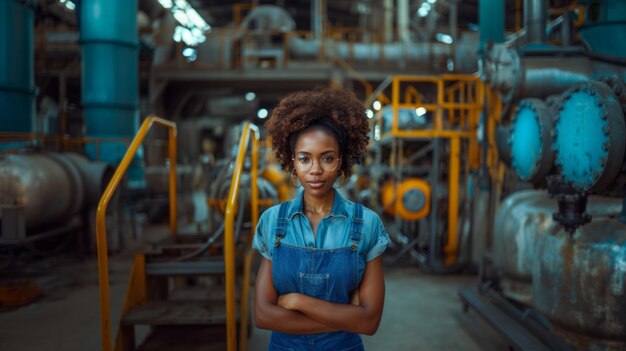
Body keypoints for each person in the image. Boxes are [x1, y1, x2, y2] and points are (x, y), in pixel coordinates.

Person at [252, 87, 390, 351]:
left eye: (327, 158)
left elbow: (370, 321)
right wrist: (348, 318)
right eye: (305, 159)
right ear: (292, 161)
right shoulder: (272, 222)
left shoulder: (367, 224)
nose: (315, 170)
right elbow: (263, 315)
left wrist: (298, 302)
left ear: (341, 161)